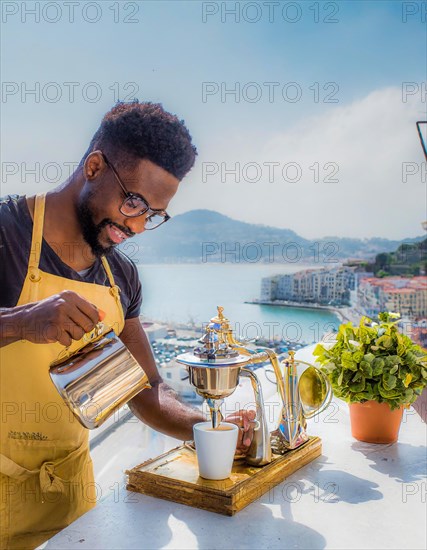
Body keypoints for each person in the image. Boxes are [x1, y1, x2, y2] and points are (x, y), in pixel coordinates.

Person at [0, 101, 255, 549]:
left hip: (70, 504)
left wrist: (210, 427)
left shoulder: (123, 277)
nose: (136, 225)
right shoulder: (7, 233)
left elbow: (145, 388)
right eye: (134, 201)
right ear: (94, 166)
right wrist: (21, 321)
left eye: (153, 214)